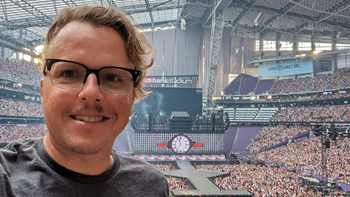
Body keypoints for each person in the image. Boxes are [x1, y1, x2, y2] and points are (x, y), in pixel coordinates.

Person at [0, 5, 169, 197]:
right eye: (69, 73)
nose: (90, 92)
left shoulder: (151, 186)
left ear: (132, 97)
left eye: (112, 77)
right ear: (43, 91)